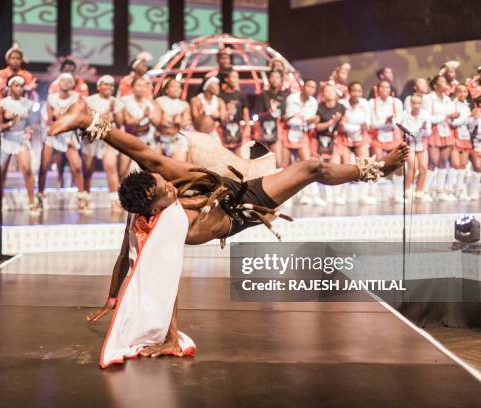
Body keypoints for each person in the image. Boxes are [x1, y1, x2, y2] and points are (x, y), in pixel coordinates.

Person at [49, 104, 409, 356]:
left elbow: (120, 258)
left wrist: (111, 297)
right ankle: (378, 169)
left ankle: (87, 119)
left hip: (224, 186)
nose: (168, 188)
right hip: (243, 210)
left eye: (163, 184)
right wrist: (172, 337)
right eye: (164, 192)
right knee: (312, 167)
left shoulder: (163, 187)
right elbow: (164, 282)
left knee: (154, 157)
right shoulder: (161, 229)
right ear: (153, 208)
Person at [0, 75, 39, 215]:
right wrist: (12, 121)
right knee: (1, 173)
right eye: (16, 85)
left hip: (21, 139)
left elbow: (32, 123)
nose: (19, 88)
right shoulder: (2, 104)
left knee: (27, 169)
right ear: (9, 87)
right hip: (6, 139)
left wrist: (29, 130)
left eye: (21, 86)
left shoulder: (28, 104)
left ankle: (31, 202)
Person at [39, 73, 88, 212]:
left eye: (69, 81)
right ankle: (40, 198)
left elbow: (77, 117)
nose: (66, 83)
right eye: (63, 80)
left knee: (77, 167)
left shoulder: (76, 98)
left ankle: (82, 199)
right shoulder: (51, 98)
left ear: (72, 84)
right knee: (43, 167)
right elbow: (50, 120)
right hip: (54, 133)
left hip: (68, 134)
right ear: (58, 83)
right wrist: (58, 118)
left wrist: (63, 116)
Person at [83, 75, 124, 212]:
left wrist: (114, 112)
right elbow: (92, 120)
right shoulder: (89, 100)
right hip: (92, 138)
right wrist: (107, 114)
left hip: (108, 138)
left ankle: (114, 201)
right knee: (88, 169)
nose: (108, 87)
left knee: (111, 168)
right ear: (99, 86)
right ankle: (84, 198)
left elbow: (120, 122)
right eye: (105, 84)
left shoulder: (116, 102)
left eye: (111, 85)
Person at [336, 82, 374, 204]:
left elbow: (367, 124)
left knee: (365, 165)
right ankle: (342, 195)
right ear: (349, 91)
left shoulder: (365, 104)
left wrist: (354, 126)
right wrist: (356, 126)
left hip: (360, 138)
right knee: (345, 167)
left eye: (359, 91)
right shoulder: (342, 104)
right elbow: (341, 126)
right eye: (354, 91)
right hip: (345, 138)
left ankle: (363, 195)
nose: (356, 94)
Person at [283, 79, 319, 204]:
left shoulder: (314, 102)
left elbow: (310, 123)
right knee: (286, 165)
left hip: (302, 134)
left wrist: (308, 122)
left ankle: (310, 195)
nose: (310, 89)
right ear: (303, 87)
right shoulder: (291, 98)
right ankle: (285, 198)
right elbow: (287, 119)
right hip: (287, 133)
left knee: (308, 163)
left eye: (313, 87)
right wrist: (303, 120)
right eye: (308, 86)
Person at [423, 75, 458, 201]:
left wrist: (454, 116)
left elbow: (451, 116)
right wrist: (446, 116)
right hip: (434, 131)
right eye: (442, 81)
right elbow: (427, 117)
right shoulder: (428, 98)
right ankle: (425, 190)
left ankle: (439, 190)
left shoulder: (447, 99)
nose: (445, 84)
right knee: (433, 160)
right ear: (435, 85)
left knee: (444, 161)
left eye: (445, 81)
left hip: (446, 131)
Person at [370, 80, 404, 202]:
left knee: (399, 164)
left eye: (387, 87)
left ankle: (397, 193)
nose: (385, 89)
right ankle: (372, 193)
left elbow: (398, 121)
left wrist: (391, 122)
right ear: (378, 89)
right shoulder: (372, 103)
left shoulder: (396, 102)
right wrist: (385, 123)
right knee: (378, 164)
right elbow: (373, 123)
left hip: (393, 135)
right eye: (382, 87)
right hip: (377, 136)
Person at [0, 43, 37, 127]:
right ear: (7, 60)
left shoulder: (27, 75)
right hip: (4, 110)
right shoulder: (1, 73)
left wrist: (29, 89)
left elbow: (32, 96)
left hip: (23, 109)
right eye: (13, 58)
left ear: (21, 60)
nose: (15, 60)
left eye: (18, 58)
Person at [120, 76, 161, 176]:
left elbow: (157, 122)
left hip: (148, 140)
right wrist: (143, 117)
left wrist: (150, 116)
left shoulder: (151, 103)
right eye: (138, 85)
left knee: (151, 171)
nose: (141, 88)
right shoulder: (124, 101)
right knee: (123, 171)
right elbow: (127, 122)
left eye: (144, 86)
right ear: (132, 87)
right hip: (129, 139)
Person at [313, 84, 346, 204]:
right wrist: (332, 121)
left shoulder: (341, 107)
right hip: (320, 140)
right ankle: (322, 196)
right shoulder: (319, 107)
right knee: (321, 167)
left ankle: (336, 195)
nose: (329, 93)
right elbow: (317, 127)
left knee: (335, 166)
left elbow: (343, 124)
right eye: (326, 91)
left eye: (331, 91)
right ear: (322, 94)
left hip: (335, 140)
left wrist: (340, 122)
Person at [401, 94, 432, 202]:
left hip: (421, 144)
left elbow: (428, 132)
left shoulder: (425, 115)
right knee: (413, 167)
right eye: (414, 103)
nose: (416, 105)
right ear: (410, 103)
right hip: (410, 144)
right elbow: (408, 133)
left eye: (419, 103)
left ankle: (419, 191)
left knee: (423, 168)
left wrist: (423, 129)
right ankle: (407, 190)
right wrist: (419, 128)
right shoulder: (405, 115)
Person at [253, 69, 287, 165]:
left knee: (278, 162)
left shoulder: (283, 96)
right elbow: (257, 115)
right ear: (268, 79)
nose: (275, 80)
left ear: (281, 80)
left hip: (277, 132)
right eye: (272, 77)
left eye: (277, 77)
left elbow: (283, 116)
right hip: (263, 132)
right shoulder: (263, 95)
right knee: (263, 163)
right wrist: (270, 112)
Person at [155, 78, 192, 161]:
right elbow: (157, 121)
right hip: (160, 139)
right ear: (166, 90)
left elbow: (185, 122)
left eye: (179, 87)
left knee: (178, 166)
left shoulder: (184, 104)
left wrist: (180, 121)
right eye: (173, 87)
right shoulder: (158, 101)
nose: (177, 89)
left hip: (177, 140)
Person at [448, 84, 473, 200]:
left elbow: (469, 124)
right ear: (456, 93)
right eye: (460, 91)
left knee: (463, 165)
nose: (463, 94)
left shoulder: (468, 106)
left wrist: (472, 119)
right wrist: (465, 118)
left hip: (465, 137)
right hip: (454, 136)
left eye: (465, 91)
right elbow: (453, 122)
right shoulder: (452, 105)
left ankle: (459, 190)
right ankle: (449, 190)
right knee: (455, 164)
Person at [219, 69, 250, 153]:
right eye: (233, 77)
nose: (236, 80)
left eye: (237, 77)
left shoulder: (241, 95)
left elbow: (245, 113)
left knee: (240, 157)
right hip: (223, 129)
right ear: (226, 79)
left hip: (237, 129)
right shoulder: (220, 95)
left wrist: (247, 127)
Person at [190, 76, 225, 143]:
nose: (218, 87)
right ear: (207, 86)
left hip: (213, 134)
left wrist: (220, 117)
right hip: (198, 134)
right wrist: (202, 114)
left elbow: (224, 120)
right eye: (215, 85)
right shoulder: (196, 101)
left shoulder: (220, 102)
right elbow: (195, 121)